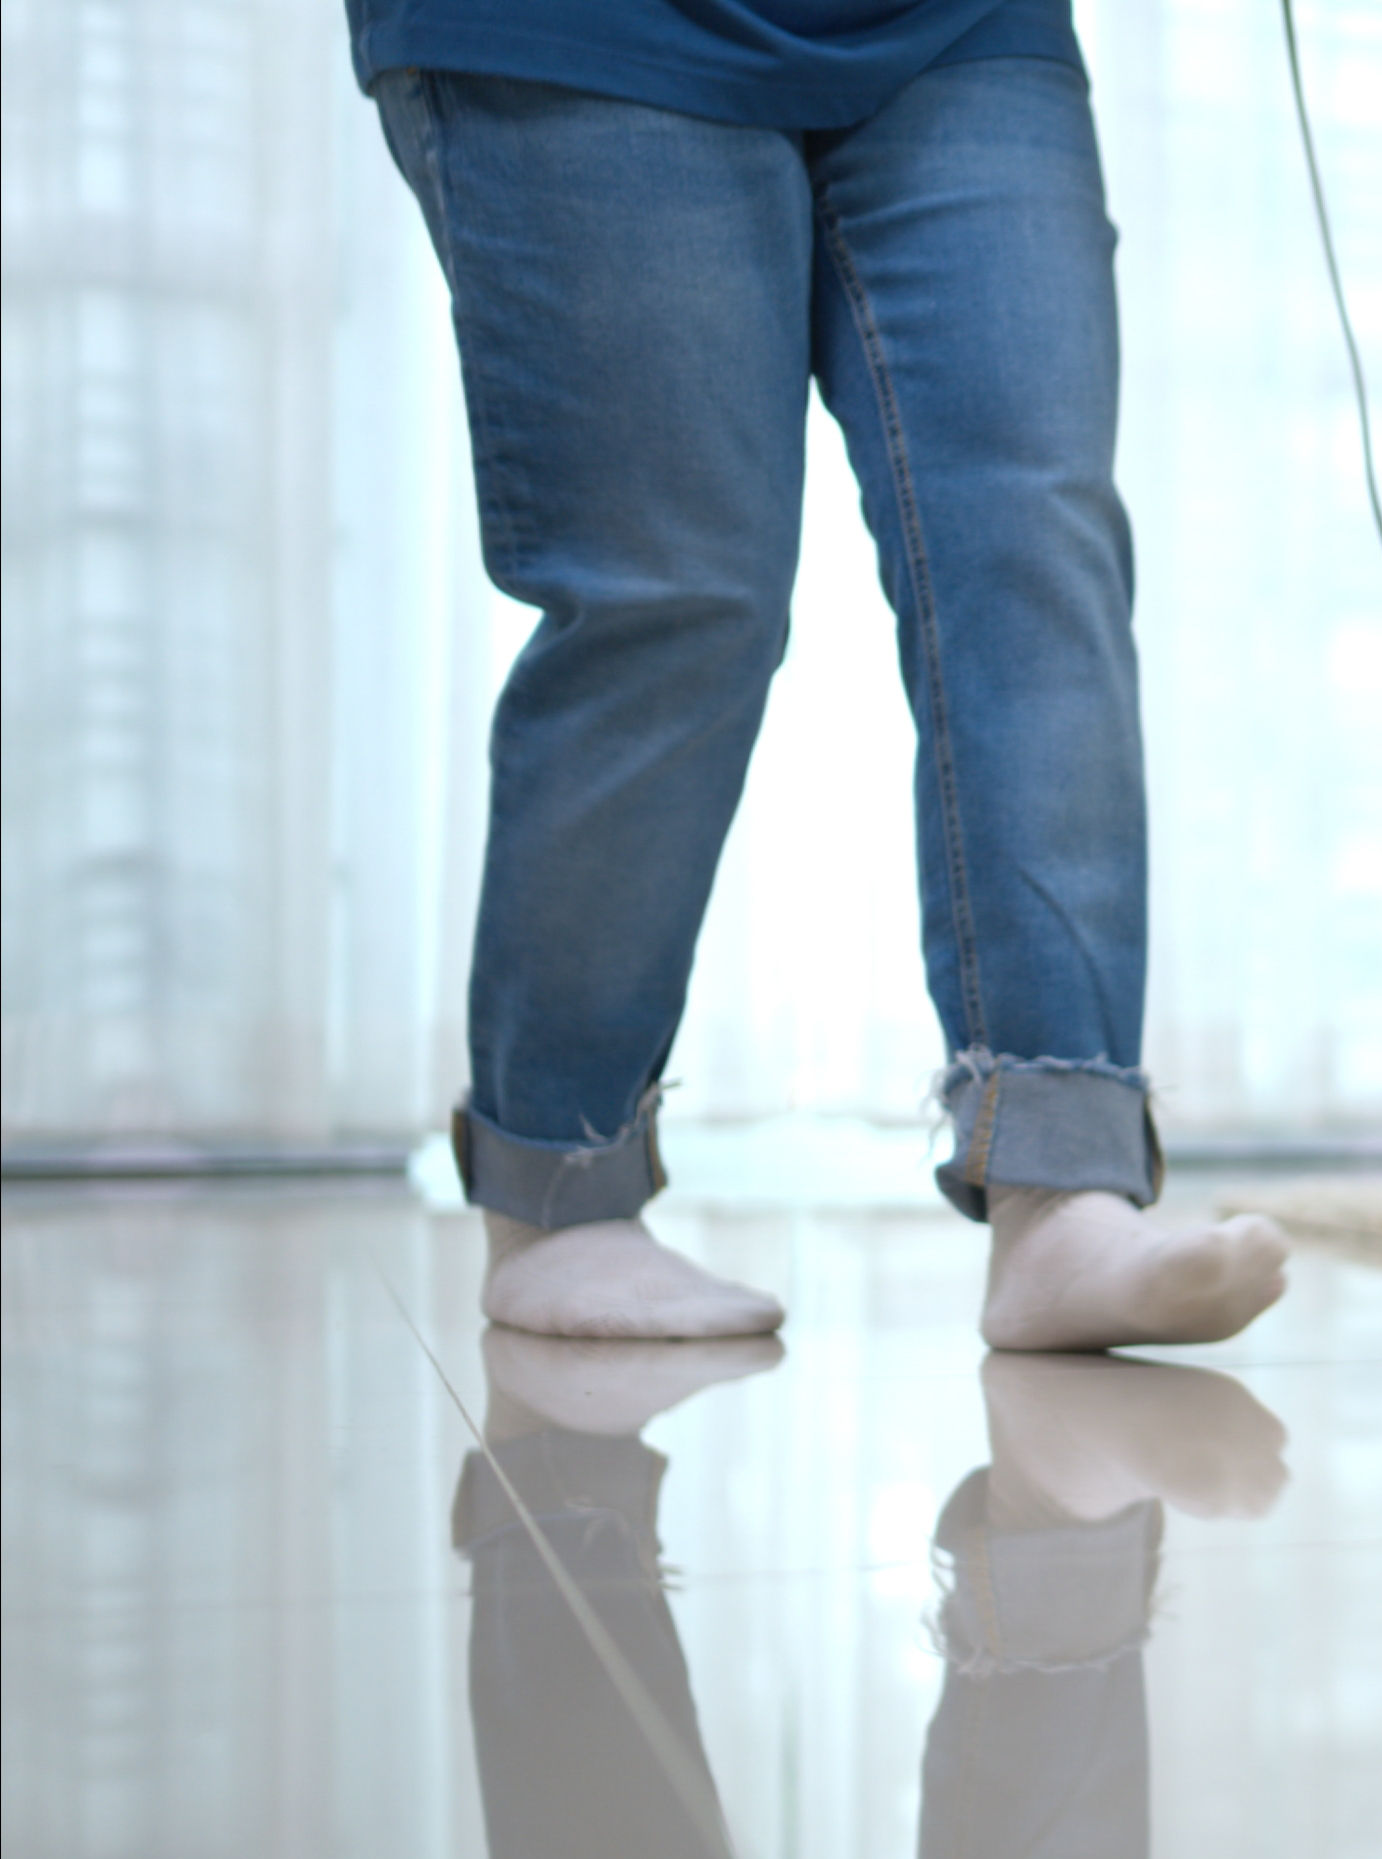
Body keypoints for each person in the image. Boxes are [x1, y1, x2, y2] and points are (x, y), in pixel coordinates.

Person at [347, 0, 1288, 1346]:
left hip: (956, 28)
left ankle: (1062, 1188)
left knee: (1031, 547)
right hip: (576, 31)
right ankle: (560, 1193)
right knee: (675, 593)